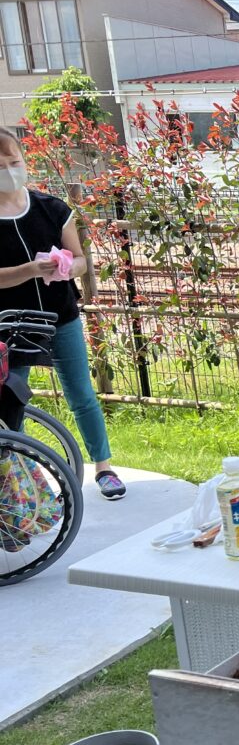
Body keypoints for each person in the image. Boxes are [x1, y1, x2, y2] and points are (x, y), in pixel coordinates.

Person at [0, 127, 126, 500]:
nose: (9, 171)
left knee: (82, 394)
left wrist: (68, 267)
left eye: (14, 162)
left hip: (61, 318)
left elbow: (82, 260)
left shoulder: (51, 208)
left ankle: (104, 468)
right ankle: (19, 479)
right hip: (12, 326)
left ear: (25, 161)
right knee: (12, 400)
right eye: (0, 167)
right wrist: (29, 270)